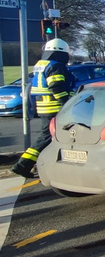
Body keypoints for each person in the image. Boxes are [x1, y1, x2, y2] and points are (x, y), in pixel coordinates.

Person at [11, 38, 75, 178]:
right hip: (54, 107)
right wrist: (66, 103)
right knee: (47, 137)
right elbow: (56, 86)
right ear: (61, 53)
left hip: (44, 106)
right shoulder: (55, 66)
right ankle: (23, 165)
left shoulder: (41, 64)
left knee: (49, 137)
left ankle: (36, 165)